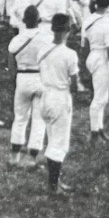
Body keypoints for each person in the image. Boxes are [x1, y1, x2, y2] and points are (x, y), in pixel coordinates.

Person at [37, 12, 82, 195]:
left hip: (45, 95)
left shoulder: (42, 50)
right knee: (59, 144)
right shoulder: (69, 54)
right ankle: (53, 186)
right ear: (67, 30)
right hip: (59, 97)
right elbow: (75, 82)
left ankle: (55, 181)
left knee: (52, 139)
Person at [6, 6, 48, 163]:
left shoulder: (16, 40)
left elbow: (11, 67)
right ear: (39, 20)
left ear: (23, 21)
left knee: (20, 117)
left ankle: (14, 156)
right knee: (39, 119)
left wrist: (14, 82)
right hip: (41, 78)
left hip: (22, 78)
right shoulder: (46, 38)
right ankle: (32, 158)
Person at [81, 0, 109, 142]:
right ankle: (94, 133)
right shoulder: (108, 23)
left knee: (102, 96)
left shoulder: (88, 19)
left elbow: (83, 44)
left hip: (92, 56)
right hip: (102, 58)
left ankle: (99, 129)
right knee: (99, 98)